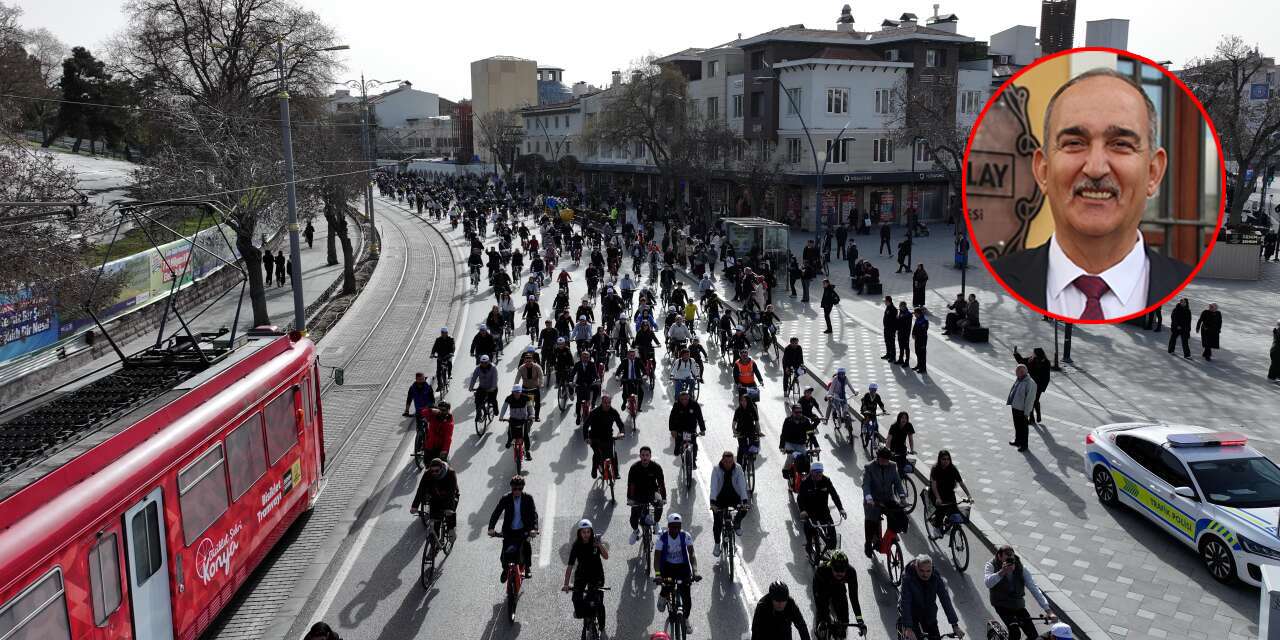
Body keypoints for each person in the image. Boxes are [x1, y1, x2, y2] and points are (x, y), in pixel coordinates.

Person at [989, 68, 1190, 320]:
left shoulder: (1184, 286)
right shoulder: (998, 279)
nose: (1095, 168)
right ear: (1043, 171)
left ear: (1153, 173)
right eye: (1074, 143)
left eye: (1121, 144)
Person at [984, 545, 1054, 640]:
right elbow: (988, 583)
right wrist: (1002, 572)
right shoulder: (991, 565)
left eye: (1011, 560)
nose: (1010, 563)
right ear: (999, 557)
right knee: (1015, 633)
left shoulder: (1021, 568)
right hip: (1001, 604)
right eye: (1007, 560)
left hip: (1017, 604)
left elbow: (1034, 588)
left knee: (1033, 635)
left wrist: (1048, 610)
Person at [653, 513, 700, 635]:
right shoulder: (662, 537)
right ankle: (663, 596)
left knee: (687, 600)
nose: (675, 529)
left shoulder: (686, 536)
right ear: (668, 526)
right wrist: (658, 574)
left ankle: (685, 618)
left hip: (682, 568)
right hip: (667, 568)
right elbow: (657, 557)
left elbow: (692, 555)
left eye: (678, 526)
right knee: (667, 585)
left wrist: (695, 572)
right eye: (673, 526)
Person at [898, 555, 963, 640]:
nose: (925, 574)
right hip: (911, 613)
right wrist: (908, 628)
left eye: (928, 571)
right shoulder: (908, 578)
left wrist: (955, 625)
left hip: (929, 614)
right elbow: (906, 603)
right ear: (916, 568)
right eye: (921, 571)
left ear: (932, 568)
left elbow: (945, 599)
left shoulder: (936, 577)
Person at [488, 476, 539, 582]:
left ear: (522, 488)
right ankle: (505, 569)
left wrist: (534, 529)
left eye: (520, 488)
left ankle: (527, 568)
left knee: (526, 546)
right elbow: (497, 512)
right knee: (504, 554)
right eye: (515, 488)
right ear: (511, 488)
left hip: (523, 530)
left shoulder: (528, 498)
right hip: (509, 531)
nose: (517, 491)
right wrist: (491, 528)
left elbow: (534, 514)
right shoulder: (505, 498)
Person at [562, 519, 609, 625]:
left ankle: (600, 624)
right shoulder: (576, 545)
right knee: (576, 599)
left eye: (588, 532)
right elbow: (570, 566)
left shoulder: (596, 541)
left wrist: (599, 545)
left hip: (597, 574)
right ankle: (585, 614)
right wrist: (566, 584)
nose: (586, 534)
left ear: (591, 532)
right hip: (582, 574)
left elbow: (606, 556)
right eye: (583, 532)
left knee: (598, 602)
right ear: (579, 533)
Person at [862, 447, 905, 558]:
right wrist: (869, 498)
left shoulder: (893, 466)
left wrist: (902, 497)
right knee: (870, 521)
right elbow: (866, 485)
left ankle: (892, 533)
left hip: (887, 499)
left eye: (887, 459)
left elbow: (898, 483)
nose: (885, 462)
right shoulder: (869, 467)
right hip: (873, 500)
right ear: (878, 458)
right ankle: (868, 544)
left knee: (897, 513)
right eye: (883, 459)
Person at [813, 551, 866, 637]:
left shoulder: (851, 572)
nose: (839, 573)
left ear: (846, 569)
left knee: (844, 622)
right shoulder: (822, 570)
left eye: (842, 571)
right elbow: (818, 598)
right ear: (831, 567)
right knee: (822, 621)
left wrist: (860, 620)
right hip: (823, 587)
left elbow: (854, 598)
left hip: (839, 588)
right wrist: (822, 618)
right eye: (836, 570)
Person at [798, 461, 846, 554]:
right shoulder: (805, 483)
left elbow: (834, 495)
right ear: (811, 472)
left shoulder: (826, 481)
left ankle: (829, 550)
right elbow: (800, 499)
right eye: (817, 472)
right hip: (810, 512)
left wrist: (841, 509)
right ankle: (809, 545)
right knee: (810, 530)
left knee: (832, 539)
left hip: (824, 511)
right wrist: (802, 510)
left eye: (820, 472)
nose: (819, 474)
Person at [709, 451, 750, 557]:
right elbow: (713, 486)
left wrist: (745, 501)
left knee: (744, 510)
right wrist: (713, 503)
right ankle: (717, 544)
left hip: (734, 497)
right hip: (720, 499)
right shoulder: (716, 469)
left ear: (733, 461)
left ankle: (737, 523)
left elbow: (742, 485)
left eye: (730, 462)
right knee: (717, 522)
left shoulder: (738, 468)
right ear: (722, 460)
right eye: (726, 462)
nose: (728, 464)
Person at [627, 446, 668, 544]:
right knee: (633, 519)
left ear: (650, 456)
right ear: (640, 456)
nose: (645, 457)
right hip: (638, 494)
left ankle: (656, 523)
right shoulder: (634, 468)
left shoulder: (656, 467)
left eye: (647, 455)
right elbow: (631, 485)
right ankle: (636, 531)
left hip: (652, 492)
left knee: (660, 504)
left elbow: (661, 483)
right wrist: (630, 499)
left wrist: (664, 498)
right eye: (643, 455)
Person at [410, 457, 459, 534]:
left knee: (450, 517)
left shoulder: (450, 473)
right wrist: (414, 506)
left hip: (450, 497)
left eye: (437, 471)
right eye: (432, 471)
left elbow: (451, 493)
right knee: (435, 524)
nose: (434, 473)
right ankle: (435, 538)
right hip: (435, 497)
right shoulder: (427, 474)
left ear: (441, 468)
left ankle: (451, 530)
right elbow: (421, 490)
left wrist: (449, 508)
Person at [584, 394, 625, 478]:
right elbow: (585, 426)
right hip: (595, 437)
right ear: (601, 402)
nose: (607, 404)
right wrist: (586, 438)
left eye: (609, 402)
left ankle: (616, 473)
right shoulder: (594, 412)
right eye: (605, 403)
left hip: (608, 437)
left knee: (613, 454)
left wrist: (621, 433)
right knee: (597, 454)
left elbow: (620, 424)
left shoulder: (613, 412)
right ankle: (594, 468)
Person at [1013, 347, 1052, 424]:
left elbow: (1047, 377)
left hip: (1039, 386)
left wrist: (1043, 387)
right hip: (1031, 384)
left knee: (1033, 401)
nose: (1032, 354)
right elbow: (1021, 361)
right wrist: (1016, 354)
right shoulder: (1031, 360)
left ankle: (1036, 416)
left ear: (1037, 354)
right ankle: (1032, 418)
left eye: (1033, 353)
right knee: (1031, 400)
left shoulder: (1046, 362)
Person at [668, 390, 707, 464]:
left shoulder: (695, 405)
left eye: (686, 399)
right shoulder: (676, 405)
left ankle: (693, 461)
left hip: (691, 429)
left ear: (688, 398)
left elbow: (700, 417)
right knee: (677, 449)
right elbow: (672, 417)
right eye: (682, 399)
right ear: (679, 399)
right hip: (679, 429)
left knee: (694, 445)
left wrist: (702, 430)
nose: (684, 401)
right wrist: (672, 430)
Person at [499, 384, 535, 461]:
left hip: (523, 420)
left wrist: (531, 415)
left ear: (521, 392)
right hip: (513, 419)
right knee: (510, 432)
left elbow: (530, 407)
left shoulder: (526, 398)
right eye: (515, 392)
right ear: (513, 392)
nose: (517, 394)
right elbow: (504, 407)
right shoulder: (509, 398)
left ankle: (527, 451)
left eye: (518, 392)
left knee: (525, 435)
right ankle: (509, 441)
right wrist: (501, 416)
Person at [1007, 364, 1037, 451]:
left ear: (1023, 372)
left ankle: (1024, 445)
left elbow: (1030, 400)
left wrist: (1027, 413)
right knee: (1017, 425)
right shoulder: (1019, 379)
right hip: (1015, 407)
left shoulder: (1030, 383)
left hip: (1022, 410)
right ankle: (1017, 440)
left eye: (1017, 372)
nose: (1016, 374)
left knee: (1023, 428)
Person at [732, 393, 761, 462]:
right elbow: (734, 423)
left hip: (751, 430)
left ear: (748, 401)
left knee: (753, 445)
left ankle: (752, 458)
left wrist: (758, 431)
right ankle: (739, 465)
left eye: (745, 401)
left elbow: (756, 422)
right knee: (741, 449)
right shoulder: (738, 410)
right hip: (740, 431)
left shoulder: (753, 409)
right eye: (742, 400)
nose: (743, 402)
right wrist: (734, 431)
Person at [516, 352, 544, 420]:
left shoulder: (537, 367)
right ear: (524, 361)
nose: (528, 363)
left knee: (537, 402)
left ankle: (537, 416)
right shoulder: (521, 368)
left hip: (535, 388)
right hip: (525, 388)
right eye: (527, 361)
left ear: (532, 360)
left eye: (530, 361)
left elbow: (541, 376)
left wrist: (541, 384)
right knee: (521, 402)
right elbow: (517, 378)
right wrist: (515, 386)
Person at [912, 307, 929, 374]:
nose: (914, 315)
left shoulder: (924, 320)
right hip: (917, 339)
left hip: (922, 339)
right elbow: (915, 327)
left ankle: (923, 368)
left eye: (915, 313)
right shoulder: (918, 319)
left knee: (922, 354)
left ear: (918, 313)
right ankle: (919, 365)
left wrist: (916, 334)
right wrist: (913, 333)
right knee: (917, 352)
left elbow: (923, 330)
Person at [895, 301, 913, 366]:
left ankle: (907, 361)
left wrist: (899, 319)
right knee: (901, 347)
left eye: (901, 306)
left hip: (905, 334)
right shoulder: (901, 312)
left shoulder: (908, 314)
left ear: (904, 306)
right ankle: (901, 359)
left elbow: (907, 325)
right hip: (900, 333)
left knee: (906, 348)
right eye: (899, 306)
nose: (899, 307)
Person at [882, 296, 898, 361]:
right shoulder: (888, 307)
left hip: (891, 329)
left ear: (888, 301)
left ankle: (893, 356)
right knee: (887, 342)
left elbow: (894, 321)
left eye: (885, 301)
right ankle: (888, 354)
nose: (884, 302)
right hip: (886, 328)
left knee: (891, 343)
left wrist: (893, 329)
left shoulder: (893, 309)